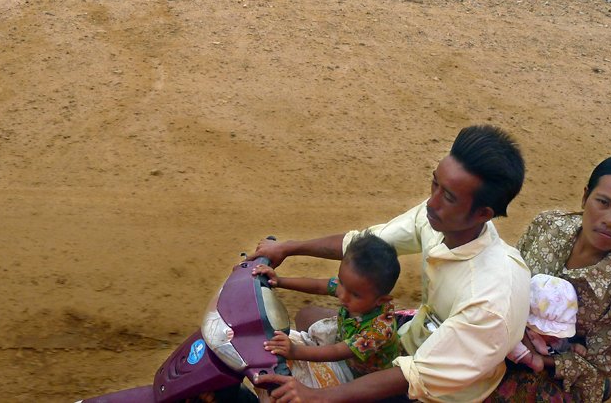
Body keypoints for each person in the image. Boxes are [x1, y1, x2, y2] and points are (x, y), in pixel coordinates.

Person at [250, 125, 531, 403]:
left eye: (448, 197)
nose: (431, 202)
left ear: (483, 213)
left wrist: (316, 397)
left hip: (436, 393)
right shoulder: (440, 218)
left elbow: (417, 376)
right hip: (409, 339)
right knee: (308, 316)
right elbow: (365, 242)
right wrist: (288, 248)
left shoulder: (489, 302)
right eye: (435, 183)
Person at [486, 154, 611, 403]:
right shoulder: (547, 225)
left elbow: (595, 367)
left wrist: (533, 356)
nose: (610, 220)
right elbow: (508, 280)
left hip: (550, 372)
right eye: (603, 202)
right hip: (500, 332)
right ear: (585, 197)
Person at [253, 232, 401, 387]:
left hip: (364, 381)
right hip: (347, 352)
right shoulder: (356, 288)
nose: (343, 295)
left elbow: (337, 352)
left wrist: (295, 351)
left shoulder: (379, 331)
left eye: (355, 295)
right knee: (306, 318)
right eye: (342, 283)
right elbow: (319, 286)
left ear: (381, 300)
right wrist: (279, 281)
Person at [506, 274, 587, 374]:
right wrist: (528, 358)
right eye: (555, 333)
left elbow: (561, 346)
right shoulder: (524, 331)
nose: (558, 337)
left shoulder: (557, 340)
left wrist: (572, 347)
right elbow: (508, 341)